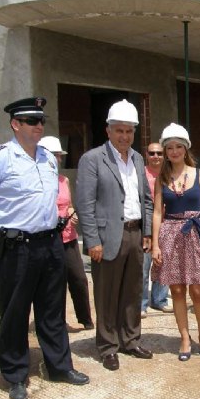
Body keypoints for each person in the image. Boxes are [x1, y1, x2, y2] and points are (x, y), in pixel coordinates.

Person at [0, 97, 89, 399]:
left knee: (52, 311)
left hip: (51, 244)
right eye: (31, 121)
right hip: (17, 247)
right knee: (15, 312)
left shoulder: (48, 158)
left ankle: (59, 367)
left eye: (41, 121)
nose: (38, 126)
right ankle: (15, 374)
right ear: (15, 124)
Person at [75, 99, 154, 371]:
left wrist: (147, 232)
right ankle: (108, 346)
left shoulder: (138, 158)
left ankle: (130, 340)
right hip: (107, 237)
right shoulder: (93, 159)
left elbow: (146, 199)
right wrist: (92, 240)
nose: (124, 136)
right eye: (119, 130)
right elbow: (85, 203)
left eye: (129, 131)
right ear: (108, 131)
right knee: (107, 293)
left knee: (133, 290)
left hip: (134, 234)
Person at [151, 123, 200, 361]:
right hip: (170, 235)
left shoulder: (199, 174)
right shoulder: (161, 177)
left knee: (198, 290)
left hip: (195, 233)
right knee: (177, 289)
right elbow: (158, 212)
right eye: (169, 147)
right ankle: (183, 337)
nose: (174, 151)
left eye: (178, 146)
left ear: (186, 148)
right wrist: (156, 245)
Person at [39, 136, 94, 330]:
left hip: (68, 237)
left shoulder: (64, 180)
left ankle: (85, 319)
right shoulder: (36, 182)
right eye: (55, 155)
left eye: (60, 156)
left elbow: (69, 205)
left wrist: (71, 212)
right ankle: (57, 322)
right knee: (55, 283)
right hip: (49, 238)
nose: (59, 159)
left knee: (79, 278)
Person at [141, 142, 172, 317]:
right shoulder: (140, 174)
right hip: (146, 222)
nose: (156, 157)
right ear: (147, 154)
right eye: (152, 153)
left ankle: (160, 299)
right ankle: (141, 304)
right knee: (144, 266)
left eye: (159, 153)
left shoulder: (169, 174)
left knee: (163, 263)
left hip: (167, 223)